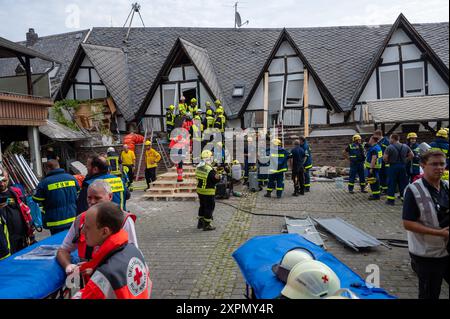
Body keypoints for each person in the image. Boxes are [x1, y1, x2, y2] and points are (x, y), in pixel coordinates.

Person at [71, 202, 150, 299]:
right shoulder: (134, 251)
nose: (82, 231)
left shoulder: (104, 276)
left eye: (87, 227)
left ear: (104, 231)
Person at [57, 180, 138, 274]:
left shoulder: (123, 220)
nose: (92, 202)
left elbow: (132, 257)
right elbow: (63, 250)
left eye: (97, 198)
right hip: (88, 283)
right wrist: (68, 266)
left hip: (111, 282)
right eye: (89, 198)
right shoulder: (80, 219)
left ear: (110, 197)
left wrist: (97, 270)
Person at [402, 150, 449, 299]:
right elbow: (408, 223)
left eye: (442, 164)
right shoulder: (414, 190)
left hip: (447, 250)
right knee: (430, 293)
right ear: (423, 165)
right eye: (434, 164)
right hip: (426, 254)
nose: (439, 168)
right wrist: (440, 233)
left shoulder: (446, 186)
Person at [32, 160, 79, 235]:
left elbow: (36, 199)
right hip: (73, 217)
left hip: (55, 222)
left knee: (58, 244)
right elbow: (78, 193)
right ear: (58, 166)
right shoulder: (71, 178)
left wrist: (34, 192)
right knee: (72, 242)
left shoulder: (44, 183)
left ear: (47, 169)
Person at [0, 169, 35, 259]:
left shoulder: (16, 192)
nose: (2, 184)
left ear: (8, 178)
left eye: (4, 181)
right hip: (5, 238)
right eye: (0, 181)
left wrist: (30, 229)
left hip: (20, 234)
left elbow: (25, 211)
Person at [383, 134, 414, 206]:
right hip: (403, 166)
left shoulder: (389, 147)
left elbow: (385, 158)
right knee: (403, 183)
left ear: (393, 139)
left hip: (393, 167)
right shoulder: (405, 146)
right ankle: (405, 199)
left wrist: (387, 161)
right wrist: (405, 160)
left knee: (391, 183)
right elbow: (412, 155)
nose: (389, 140)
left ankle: (390, 200)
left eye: (390, 139)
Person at [195, 150, 221, 231]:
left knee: (202, 206)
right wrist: (219, 176)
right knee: (209, 207)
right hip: (208, 191)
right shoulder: (210, 169)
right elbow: (215, 180)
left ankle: (200, 223)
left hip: (200, 190)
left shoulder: (198, 166)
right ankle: (207, 225)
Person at [365, 136, 383, 200]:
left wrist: (371, 168)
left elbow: (374, 159)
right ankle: (376, 194)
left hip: (373, 168)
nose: (369, 140)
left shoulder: (374, 148)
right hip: (376, 167)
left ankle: (376, 196)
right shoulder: (377, 147)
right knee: (375, 181)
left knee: (373, 181)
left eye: (370, 139)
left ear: (372, 140)